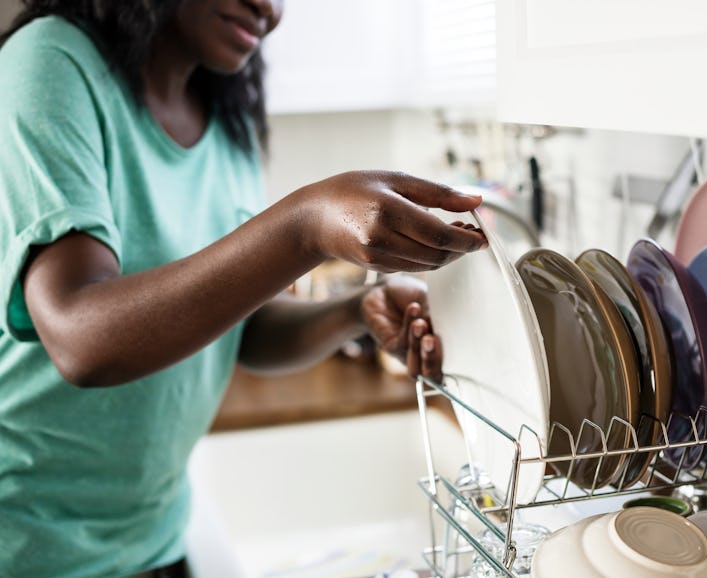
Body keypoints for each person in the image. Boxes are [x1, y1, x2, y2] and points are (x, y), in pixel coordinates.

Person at [0, 1, 487, 576]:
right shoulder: (50, 61)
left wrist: (357, 310)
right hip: (26, 543)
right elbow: (82, 339)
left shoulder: (225, 111)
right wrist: (305, 224)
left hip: (152, 537)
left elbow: (242, 325)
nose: (270, 9)